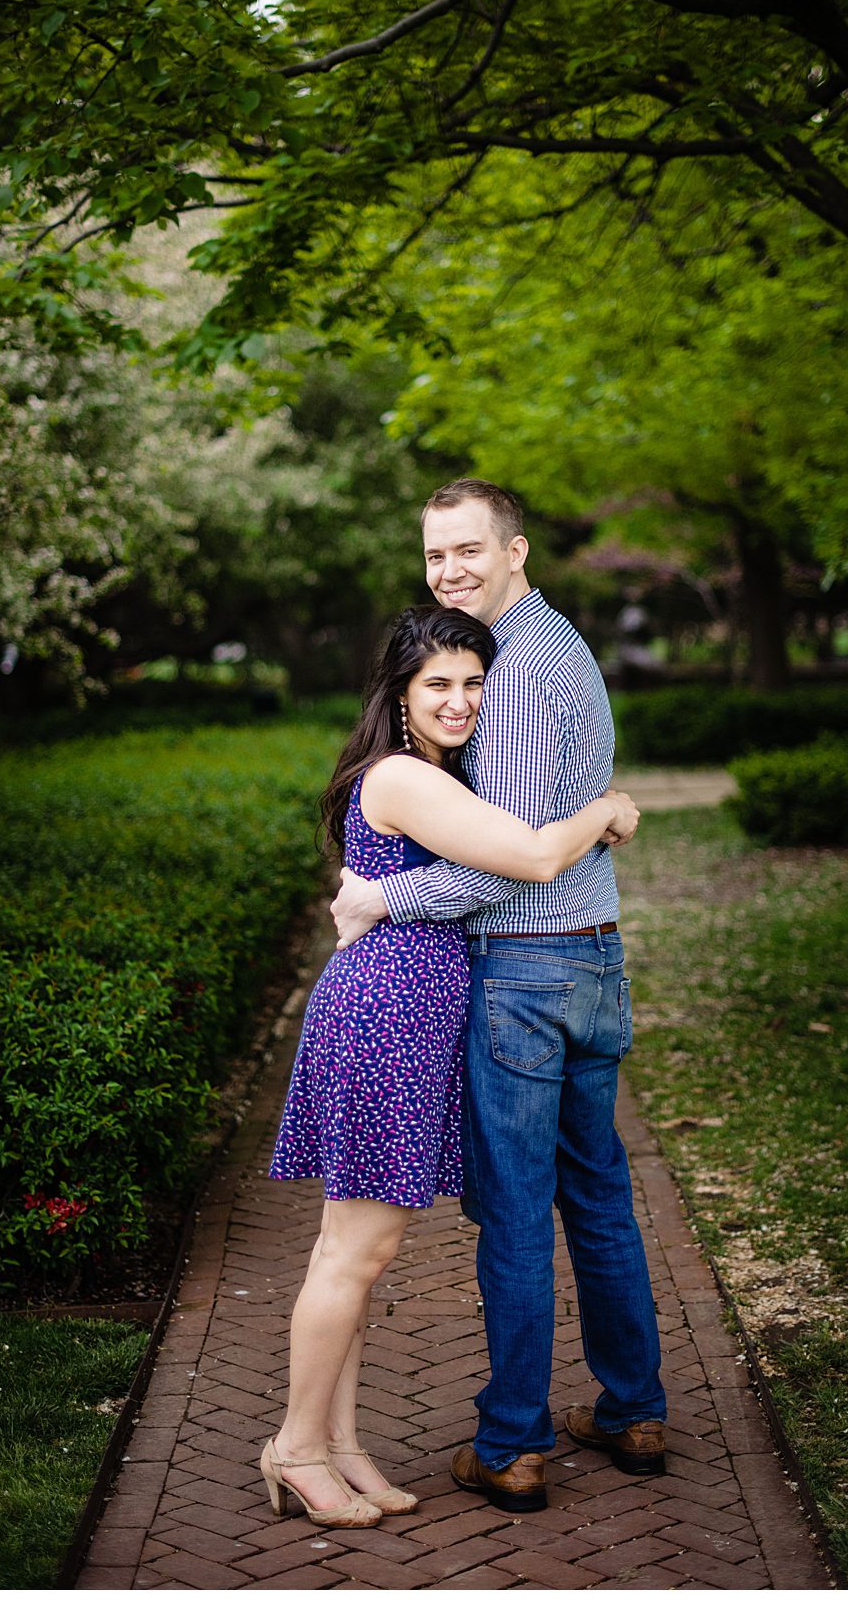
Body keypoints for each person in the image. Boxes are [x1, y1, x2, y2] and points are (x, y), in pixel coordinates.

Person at [259, 603, 640, 1527]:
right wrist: (609, 807)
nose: (461, 700)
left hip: (403, 1013)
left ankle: (341, 1443)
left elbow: (471, 877)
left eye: (474, 682)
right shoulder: (402, 778)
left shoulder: (431, 773)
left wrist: (391, 895)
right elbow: (537, 858)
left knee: (346, 1251)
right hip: (386, 1016)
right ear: (397, 694)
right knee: (359, 1250)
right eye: (439, 684)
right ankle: (297, 1448)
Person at [332, 478, 670, 1516]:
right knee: (599, 1192)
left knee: (519, 1212)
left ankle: (513, 1442)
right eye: (436, 556)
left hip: (526, 969)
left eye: (469, 551)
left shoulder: (514, 676)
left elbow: (510, 860)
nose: (451, 571)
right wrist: (608, 812)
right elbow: (544, 837)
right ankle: (632, 1409)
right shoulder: (560, 645)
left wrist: (383, 893)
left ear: (515, 550)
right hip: (594, 957)